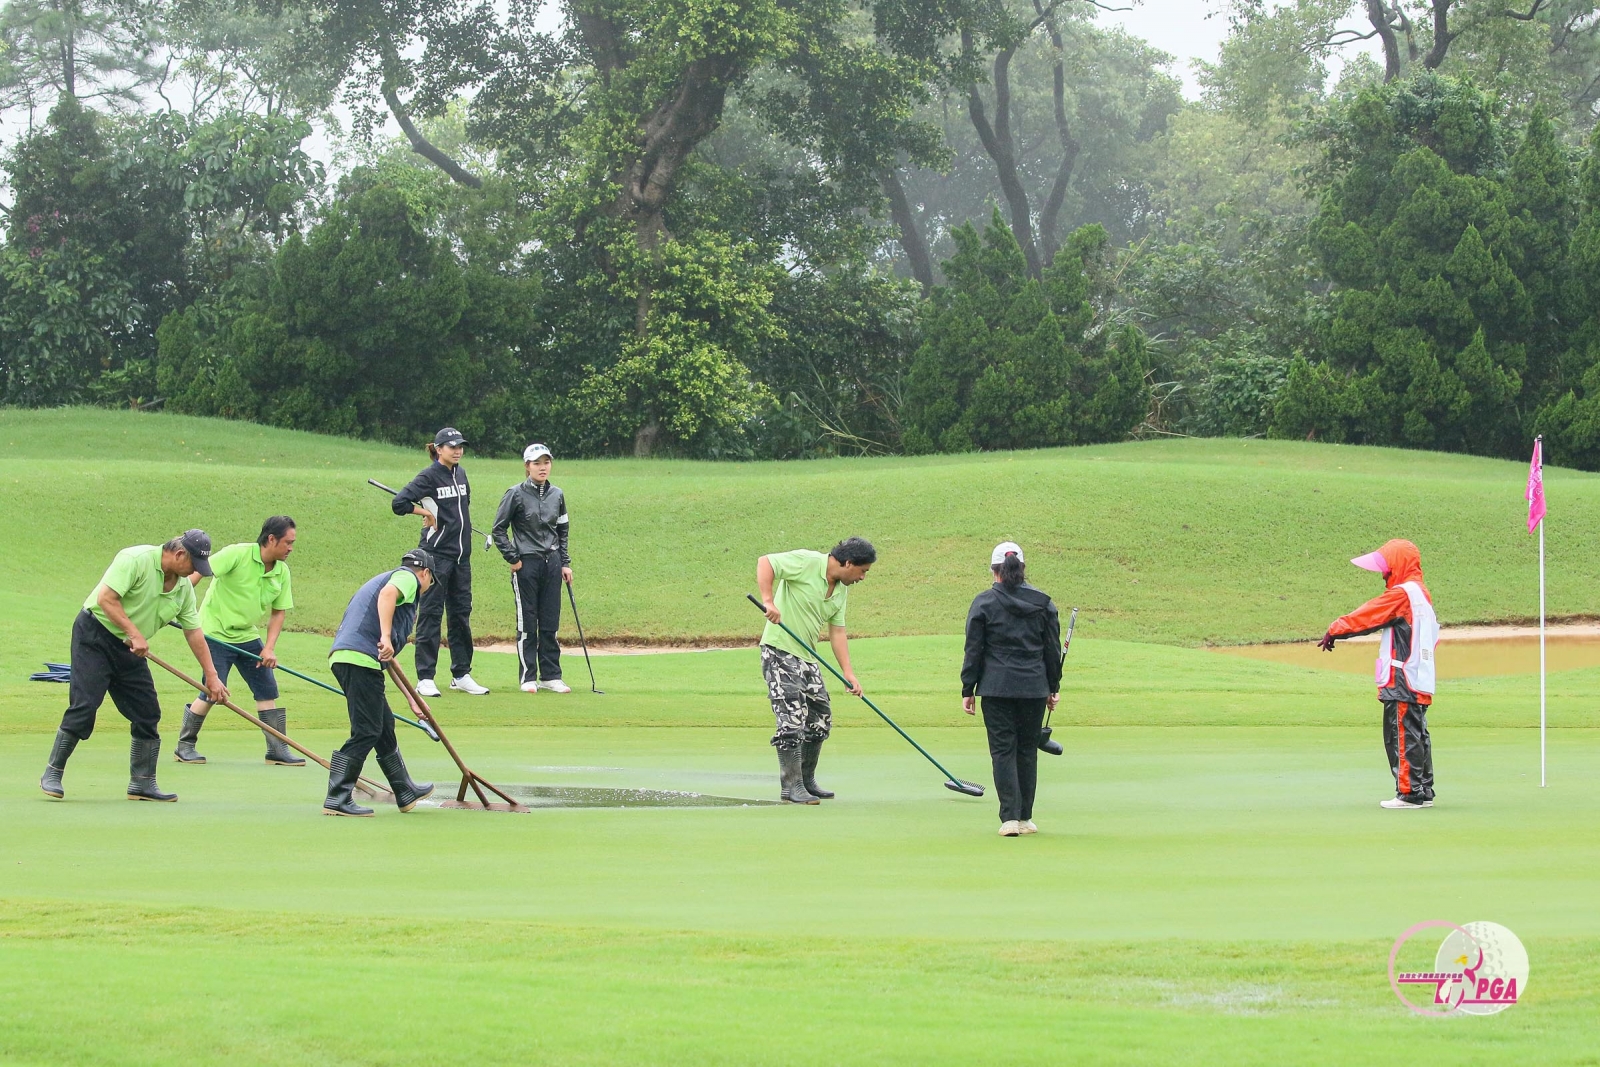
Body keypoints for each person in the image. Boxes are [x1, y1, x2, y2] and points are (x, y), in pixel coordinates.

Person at [40, 532, 229, 803]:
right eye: (193, 566)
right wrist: (134, 632)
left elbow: (193, 632)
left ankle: (142, 783)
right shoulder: (135, 559)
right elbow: (106, 599)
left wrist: (212, 676)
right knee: (85, 705)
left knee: (147, 712)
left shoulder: (183, 588)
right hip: (95, 635)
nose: (194, 573)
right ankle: (53, 772)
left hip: (130, 649)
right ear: (179, 555)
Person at [1320, 538, 1439, 809]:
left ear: (1397, 565)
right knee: (1417, 732)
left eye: (1387, 567)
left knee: (1401, 734)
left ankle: (1409, 793)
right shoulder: (1421, 592)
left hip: (1402, 678)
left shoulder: (1402, 594)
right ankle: (1423, 789)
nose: (1384, 573)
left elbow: (1369, 615)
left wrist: (1335, 629)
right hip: (1418, 675)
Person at [755, 537, 876, 804]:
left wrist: (848, 672)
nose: (863, 577)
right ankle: (792, 785)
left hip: (807, 658)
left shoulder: (841, 590)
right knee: (791, 722)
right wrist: (769, 601)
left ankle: (807, 780)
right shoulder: (807, 562)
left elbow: (838, 631)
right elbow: (766, 562)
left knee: (820, 719)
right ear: (847, 563)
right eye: (863, 571)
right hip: (779, 651)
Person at [174, 516, 302, 766]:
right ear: (272, 539)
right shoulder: (237, 554)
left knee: (267, 689)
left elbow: (279, 612)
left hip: (246, 635)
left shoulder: (281, 571)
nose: (290, 548)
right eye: (288, 542)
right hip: (214, 632)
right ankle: (184, 746)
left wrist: (269, 647)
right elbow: (199, 572)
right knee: (212, 690)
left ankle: (276, 749)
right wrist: (175, 600)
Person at [323, 549, 438, 817]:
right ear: (426, 574)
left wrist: (412, 699)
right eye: (430, 583)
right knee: (367, 730)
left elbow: (388, 658)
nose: (426, 589)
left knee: (383, 726)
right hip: (358, 659)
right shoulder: (407, 579)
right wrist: (387, 637)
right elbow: (388, 601)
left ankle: (404, 790)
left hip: (351, 658)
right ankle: (337, 797)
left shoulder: (385, 582)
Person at [960, 542, 1062, 837]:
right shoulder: (1044, 603)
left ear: (994, 571)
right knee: (1027, 751)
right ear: (1022, 568)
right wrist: (1052, 686)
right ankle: (1026, 818)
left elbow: (974, 650)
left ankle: (1009, 819)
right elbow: (1051, 651)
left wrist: (968, 687)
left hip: (996, 688)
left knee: (1003, 750)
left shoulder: (983, 603)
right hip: (1033, 687)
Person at [391, 426, 487, 697]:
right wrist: (425, 512)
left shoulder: (462, 473)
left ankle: (461, 673)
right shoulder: (429, 475)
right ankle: (425, 677)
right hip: (434, 557)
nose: (457, 451)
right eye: (452, 446)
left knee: (460, 616)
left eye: (460, 446)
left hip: (461, 558)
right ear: (439, 449)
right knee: (431, 615)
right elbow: (399, 503)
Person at [492, 443, 574, 694]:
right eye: (537, 463)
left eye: (546, 462)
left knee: (550, 621)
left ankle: (551, 675)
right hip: (526, 564)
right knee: (528, 621)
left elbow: (562, 531)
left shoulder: (557, 494)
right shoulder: (515, 493)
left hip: (552, 563)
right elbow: (498, 530)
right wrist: (513, 558)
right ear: (527, 466)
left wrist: (566, 562)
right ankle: (528, 676)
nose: (542, 467)